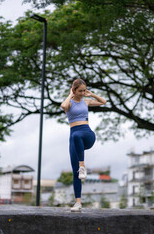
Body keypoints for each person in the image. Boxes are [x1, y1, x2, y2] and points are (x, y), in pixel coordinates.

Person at [60, 79, 107, 212]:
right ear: (73, 90)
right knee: (76, 173)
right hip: (74, 138)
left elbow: (103, 102)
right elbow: (63, 106)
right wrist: (70, 95)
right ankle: (78, 203)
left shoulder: (86, 102)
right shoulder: (69, 104)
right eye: (80, 91)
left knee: (76, 136)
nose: (82, 93)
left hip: (87, 135)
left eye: (83, 90)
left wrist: (91, 95)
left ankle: (82, 165)